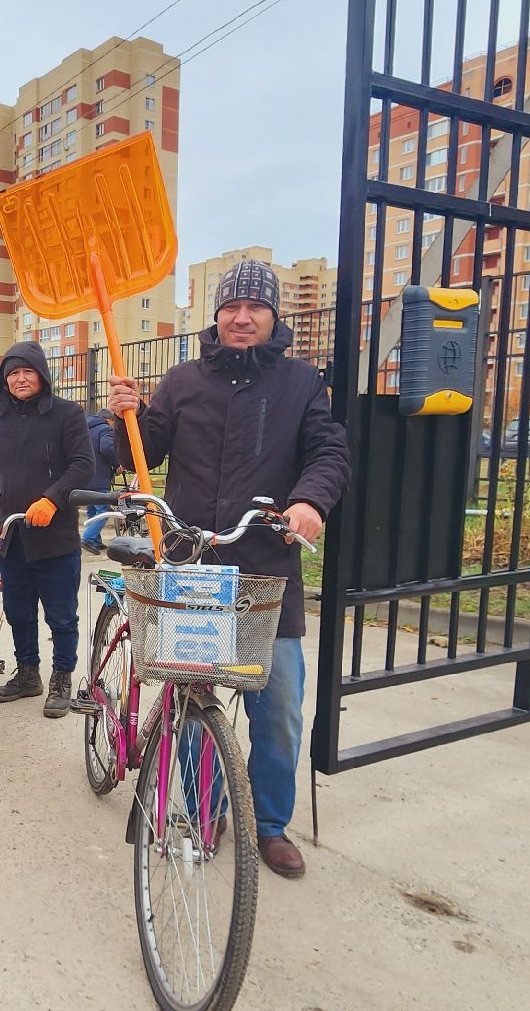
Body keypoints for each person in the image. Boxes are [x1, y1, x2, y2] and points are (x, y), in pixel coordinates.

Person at [105, 259, 350, 881]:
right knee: (191, 700)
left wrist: (309, 500)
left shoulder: (300, 383)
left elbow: (328, 451)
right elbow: (142, 452)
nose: (242, 318)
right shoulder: (183, 381)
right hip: (193, 567)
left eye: (256, 307)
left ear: (274, 315)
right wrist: (125, 416)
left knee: (280, 705)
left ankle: (268, 824)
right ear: (216, 315)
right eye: (232, 307)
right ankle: (205, 805)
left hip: (267, 569)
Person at [0, 341, 94, 717]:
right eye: (12, 373)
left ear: (42, 375)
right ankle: (29, 674)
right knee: (18, 611)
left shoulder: (67, 414)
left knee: (62, 615)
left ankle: (62, 677)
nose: (19, 378)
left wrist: (52, 498)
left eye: (27, 370)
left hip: (55, 537)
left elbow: (82, 464)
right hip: (12, 535)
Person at [81, 411, 120, 554]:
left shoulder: (84, 428)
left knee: (92, 510)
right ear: (108, 419)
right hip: (99, 476)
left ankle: (96, 541)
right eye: (114, 422)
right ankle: (88, 539)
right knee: (103, 510)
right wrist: (117, 464)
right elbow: (107, 447)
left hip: (84, 476)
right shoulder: (105, 429)